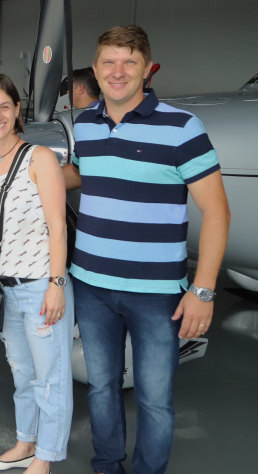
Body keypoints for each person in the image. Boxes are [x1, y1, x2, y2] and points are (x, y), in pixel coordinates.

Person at [62, 25, 230, 474]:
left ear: (146, 69)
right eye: (108, 62)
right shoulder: (86, 123)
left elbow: (216, 211)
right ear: (95, 70)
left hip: (157, 293)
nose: (118, 72)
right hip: (92, 286)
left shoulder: (182, 126)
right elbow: (81, 175)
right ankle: (107, 464)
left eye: (129, 62)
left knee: (155, 399)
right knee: (101, 387)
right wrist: (17, 174)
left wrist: (204, 289)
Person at [0, 74, 72, 474]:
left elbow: (58, 226)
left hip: (39, 286)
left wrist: (57, 283)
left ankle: (45, 458)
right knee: (22, 373)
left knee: (51, 376)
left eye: (4, 107)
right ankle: (26, 443)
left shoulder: (40, 158)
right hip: (2, 290)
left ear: (17, 111)